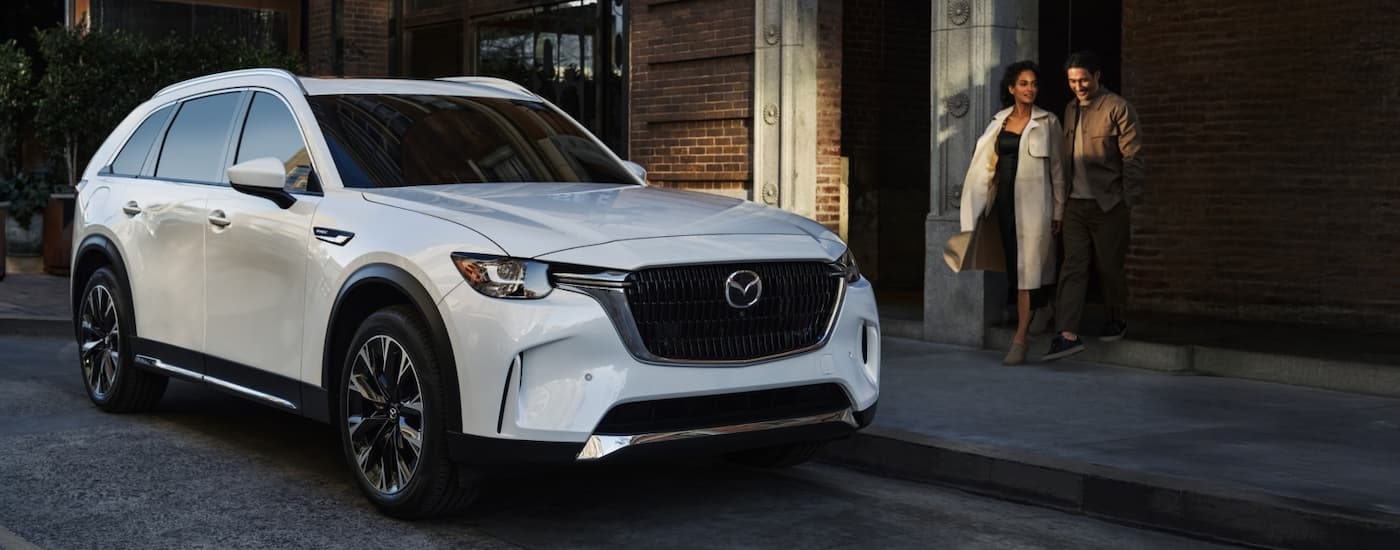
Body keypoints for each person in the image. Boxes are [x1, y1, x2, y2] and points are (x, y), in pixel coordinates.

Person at [959, 60, 1066, 365]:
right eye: (1023, 84)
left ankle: (1019, 340)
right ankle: (1043, 307)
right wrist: (975, 207)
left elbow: (1058, 170)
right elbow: (985, 166)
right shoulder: (999, 122)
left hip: (1036, 208)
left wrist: (1059, 209)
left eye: (1033, 83)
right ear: (1011, 88)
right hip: (1004, 205)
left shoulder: (1048, 122)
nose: (1029, 89)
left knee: (1027, 271)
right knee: (1016, 265)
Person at [1042, 51, 1143, 361]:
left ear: (1097, 75)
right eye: (1072, 81)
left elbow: (1133, 157)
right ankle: (1067, 334)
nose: (1078, 86)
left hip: (1109, 203)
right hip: (1075, 204)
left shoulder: (1118, 108)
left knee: (1109, 267)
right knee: (1072, 266)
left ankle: (1117, 316)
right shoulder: (1070, 109)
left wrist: (1127, 201)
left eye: (1083, 79)